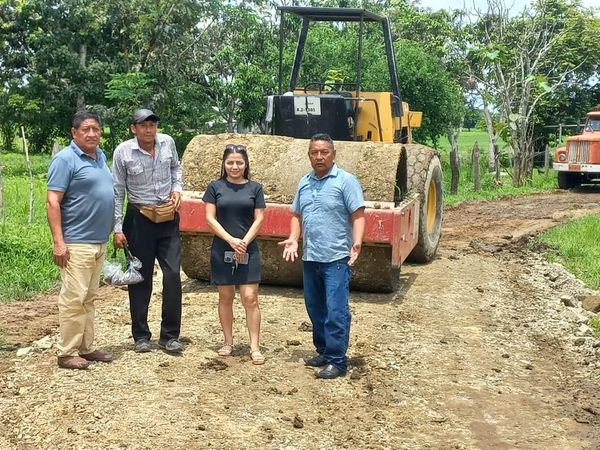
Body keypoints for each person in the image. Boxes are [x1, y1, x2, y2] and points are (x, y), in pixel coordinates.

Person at [279, 133, 365, 379]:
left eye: (324, 152)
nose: (319, 157)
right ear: (309, 155)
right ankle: (324, 351)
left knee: (336, 311)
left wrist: (357, 242)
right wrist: (294, 238)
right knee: (315, 308)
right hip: (311, 257)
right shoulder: (304, 182)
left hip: (336, 258)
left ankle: (337, 361)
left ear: (333, 154)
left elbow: (358, 215)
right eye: (314, 152)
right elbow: (296, 215)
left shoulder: (346, 181)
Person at [46, 111, 115, 370]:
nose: (92, 134)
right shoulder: (65, 159)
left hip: (98, 241)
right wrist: (58, 242)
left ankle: (86, 348)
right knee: (74, 298)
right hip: (76, 242)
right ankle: (67, 352)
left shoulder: (100, 157)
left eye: (96, 129)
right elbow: (53, 201)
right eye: (85, 129)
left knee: (89, 298)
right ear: (74, 133)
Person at [112, 108, 184, 354]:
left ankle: (170, 336)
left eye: (152, 125)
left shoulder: (167, 143)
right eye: (143, 125)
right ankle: (141, 336)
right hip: (139, 219)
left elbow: (176, 169)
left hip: (168, 217)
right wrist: (117, 228)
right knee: (140, 278)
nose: (148, 130)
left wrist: (177, 189)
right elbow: (117, 191)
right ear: (133, 128)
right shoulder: (123, 152)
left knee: (172, 274)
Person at [203, 144, 266, 364]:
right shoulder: (215, 187)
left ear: (246, 164)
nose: (235, 166)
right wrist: (230, 240)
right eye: (230, 162)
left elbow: (259, 218)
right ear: (224, 164)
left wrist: (244, 242)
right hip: (222, 248)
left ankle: (255, 346)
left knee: (250, 298)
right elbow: (210, 218)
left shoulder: (255, 188)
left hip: (249, 248)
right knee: (225, 296)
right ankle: (228, 342)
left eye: (239, 162)